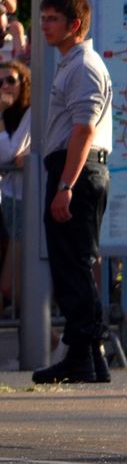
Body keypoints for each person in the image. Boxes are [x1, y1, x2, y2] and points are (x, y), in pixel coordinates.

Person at [32, 0, 112, 385]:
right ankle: (89, 357)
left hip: (76, 171)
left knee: (74, 265)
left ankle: (83, 354)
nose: (44, 25)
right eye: (43, 17)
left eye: (52, 19)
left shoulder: (83, 65)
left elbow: (84, 129)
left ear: (74, 25)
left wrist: (66, 184)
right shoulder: (72, 64)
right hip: (73, 170)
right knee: (73, 265)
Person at [0, 61, 31, 312]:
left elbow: (8, 152)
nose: (4, 87)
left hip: (25, 202)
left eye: (10, 80)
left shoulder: (30, 113)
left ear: (23, 84)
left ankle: (53, 342)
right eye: (0, 82)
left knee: (11, 285)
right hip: (7, 202)